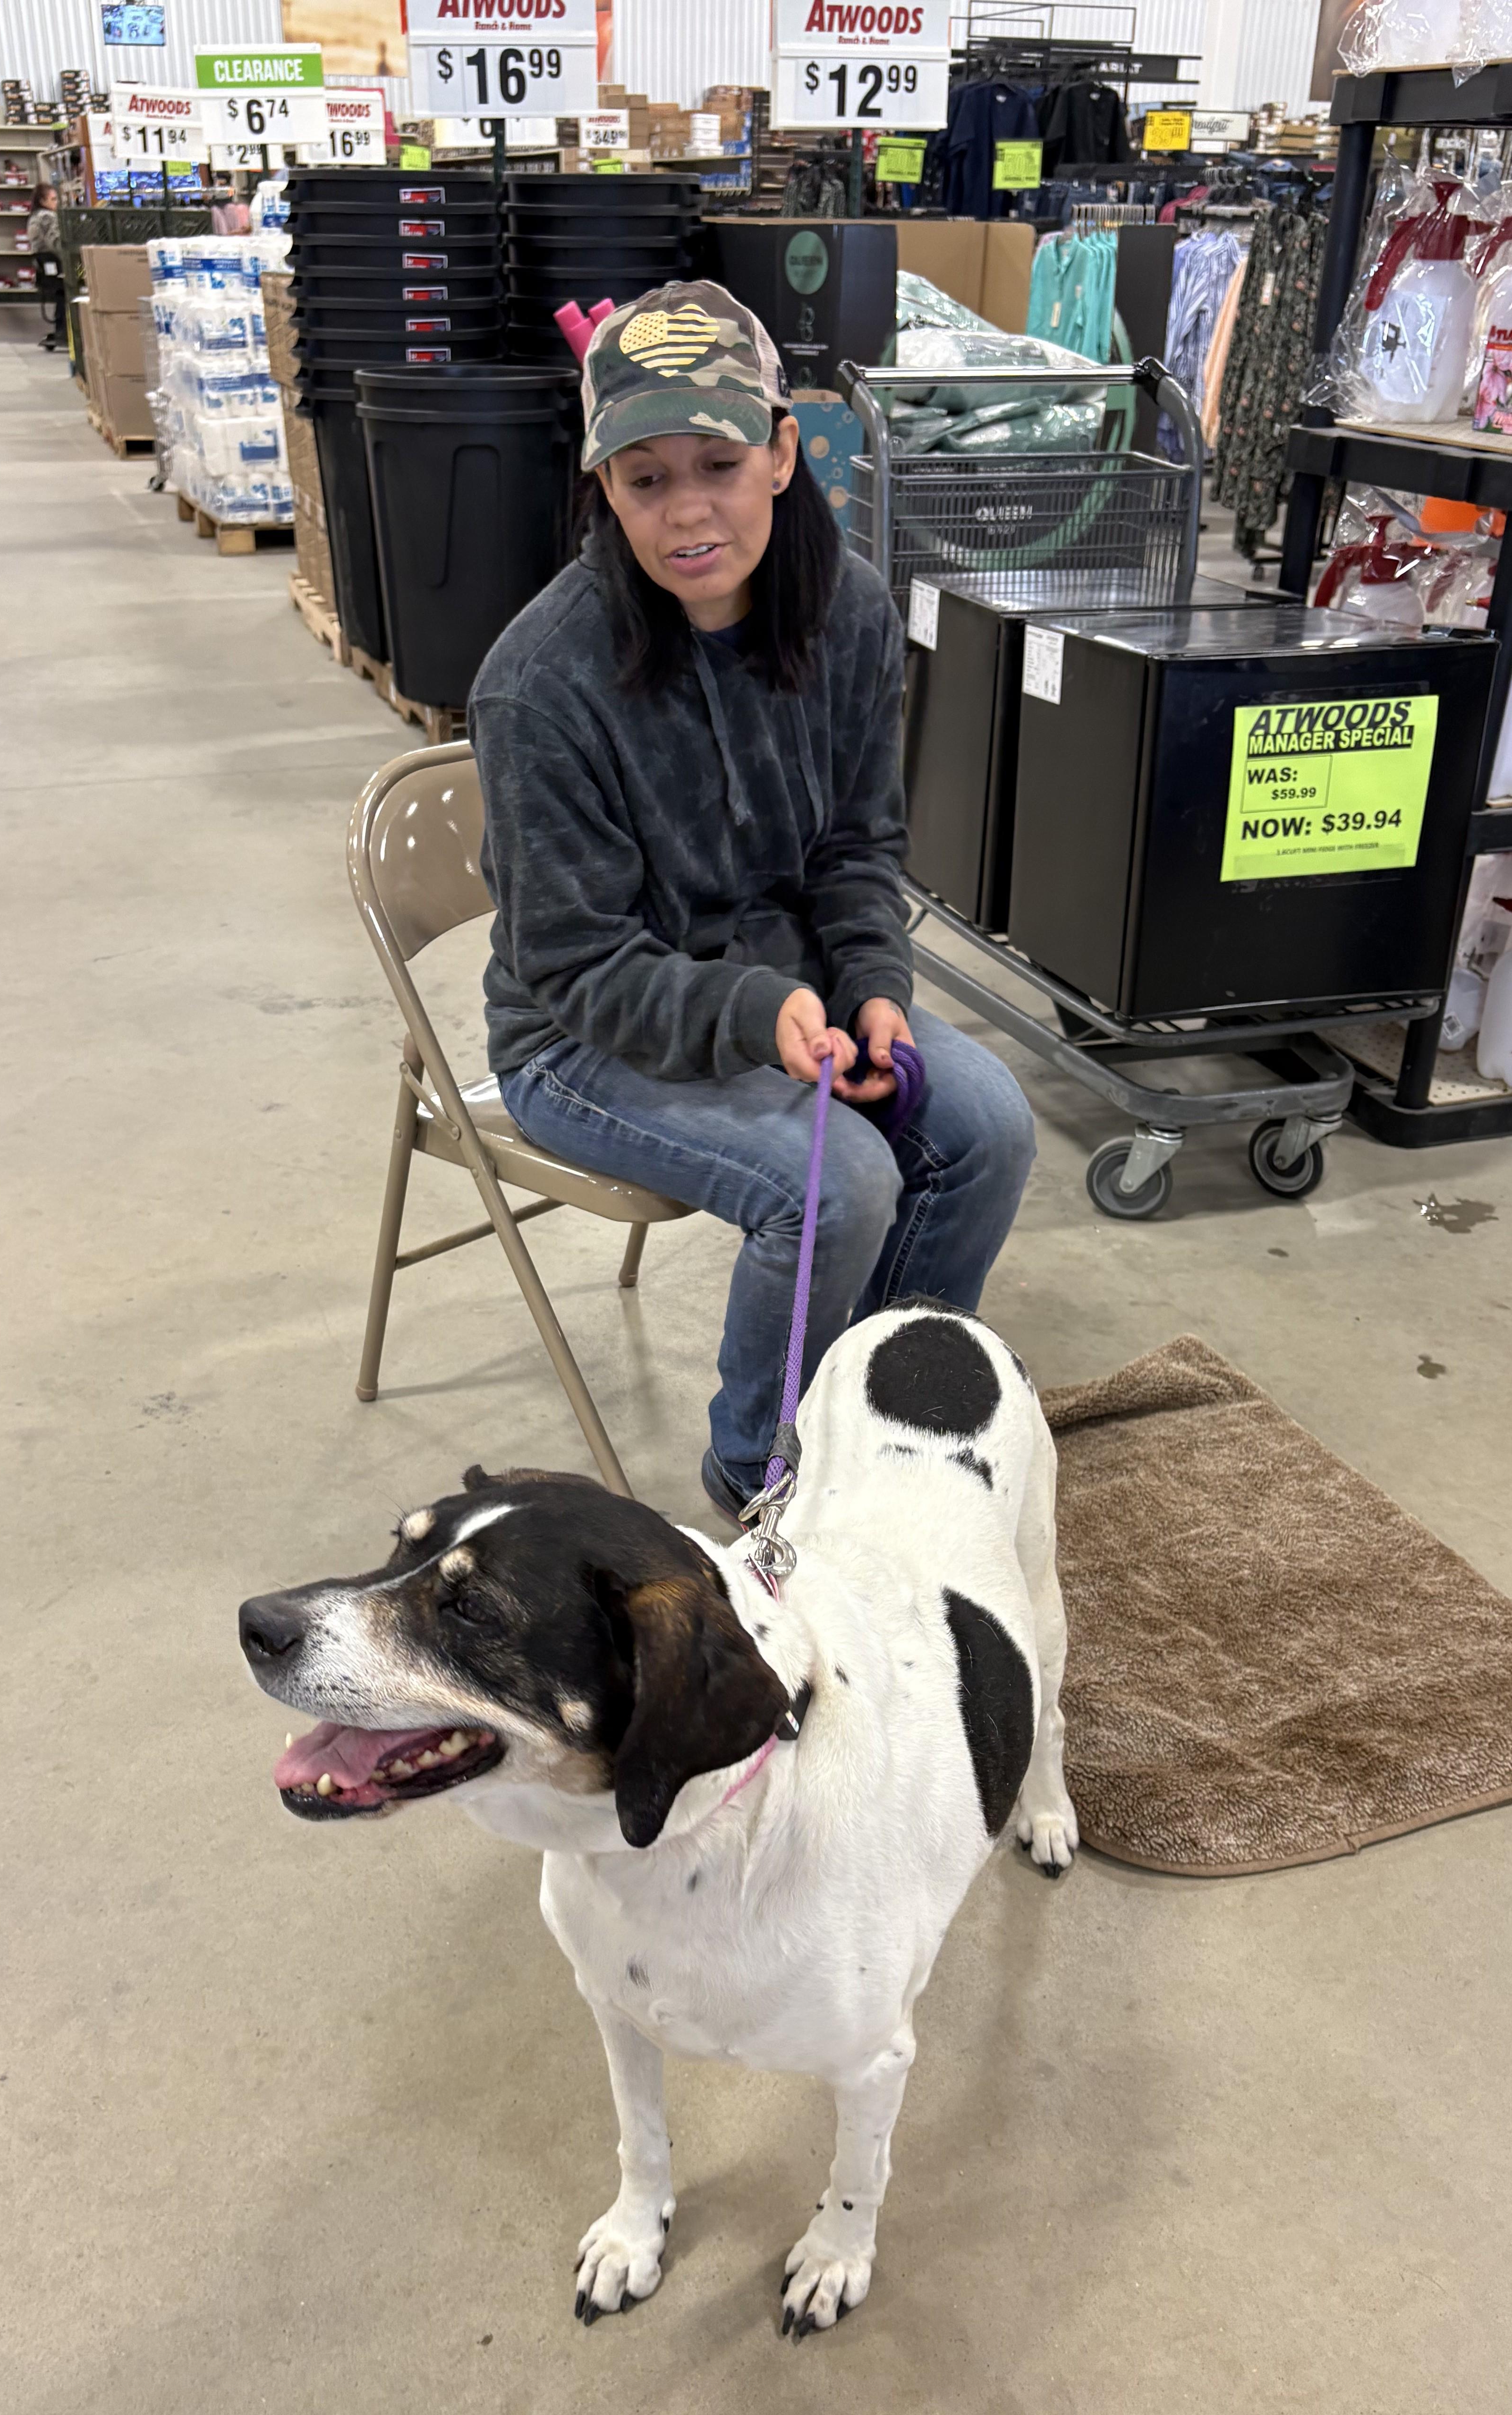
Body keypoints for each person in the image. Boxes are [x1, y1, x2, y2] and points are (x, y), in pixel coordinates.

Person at [473, 281, 1036, 1523]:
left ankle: (889, 1432)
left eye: (717, 463)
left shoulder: (848, 615)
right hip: (580, 1038)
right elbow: (571, 968)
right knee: (833, 1185)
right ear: (602, 489)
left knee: (989, 1127)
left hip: (793, 989)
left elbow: (855, 847)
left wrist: (875, 989)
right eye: (643, 478)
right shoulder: (538, 685)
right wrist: (756, 1006)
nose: (685, 512)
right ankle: (762, 1482)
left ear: (783, 452)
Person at [26, 184, 65, 351]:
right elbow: (56, 243)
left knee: (63, 294)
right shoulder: (46, 217)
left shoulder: (35, 216)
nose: (57, 203)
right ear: (43, 201)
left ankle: (62, 328)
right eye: (54, 199)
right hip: (55, 266)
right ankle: (65, 331)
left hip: (46, 269)